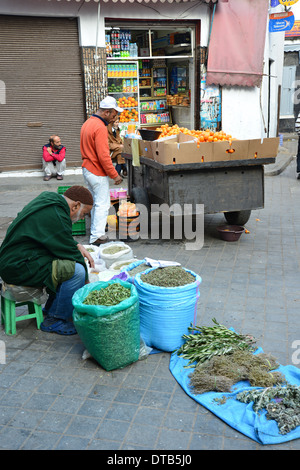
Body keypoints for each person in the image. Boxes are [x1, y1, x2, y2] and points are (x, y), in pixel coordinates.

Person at [0, 186, 94, 335]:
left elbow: (59, 238)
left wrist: (77, 245)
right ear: (75, 205)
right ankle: (54, 319)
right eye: (84, 214)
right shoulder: (56, 214)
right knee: (78, 272)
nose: (82, 218)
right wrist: (87, 281)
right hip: (19, 266)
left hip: (13, 259)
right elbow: (68, 251)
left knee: (63, 263)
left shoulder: (49, 199)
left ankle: (52, 308)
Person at [81, 96, 123, 246]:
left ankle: (95, 232)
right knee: (102, 204)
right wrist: (115, 175)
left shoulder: (87, 123)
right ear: (106, 112)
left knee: (96, 202)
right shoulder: (99, 127)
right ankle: (97, 236)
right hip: (96, 171)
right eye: (113, 114)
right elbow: (104, 156)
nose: (114, 117)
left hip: (87, 168)